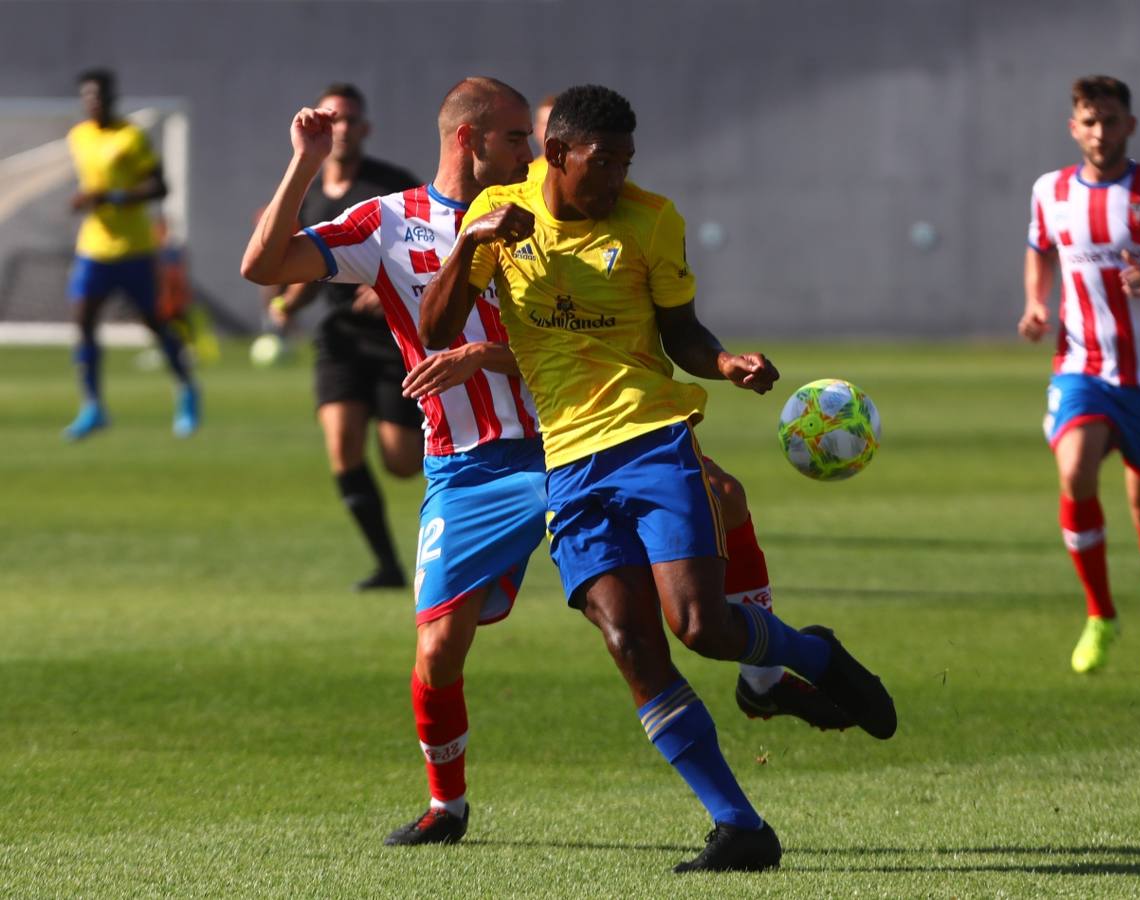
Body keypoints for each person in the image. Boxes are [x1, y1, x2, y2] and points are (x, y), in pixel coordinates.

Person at [425, 83, 896, 873]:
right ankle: (741, 827)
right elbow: (437, 329)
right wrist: (473, 245)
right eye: (601, 162)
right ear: (556, 155)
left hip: (650, 440)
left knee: (701, 628)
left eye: (625, 162)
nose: (615, 178)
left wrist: (724, 363)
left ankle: (814, 656)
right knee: (631, 643)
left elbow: (681, 331)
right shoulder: (499, 216)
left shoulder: (651, 220)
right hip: (567, 464)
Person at [243, 77, 544, 848]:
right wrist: (303, 164)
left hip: (566, 445)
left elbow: (589, 343)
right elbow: (264, 266)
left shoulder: (546, 214)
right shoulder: (390, 223)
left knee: (652, 607)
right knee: (439, 648)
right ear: (468, 140)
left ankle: (770, 665)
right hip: (464, 467)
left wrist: (483, 358)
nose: (531, 151)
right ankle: (448, 807)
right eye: (516, 138)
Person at [1020, 75, 1140, 677]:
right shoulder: (1050, 191)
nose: (1100, 131)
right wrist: (1035, 302)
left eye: (1111, 120)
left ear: (1130, 125)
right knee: (1075, 471)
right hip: (1082, 366)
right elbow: (1039, 248)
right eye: (1090, 120)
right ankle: (1100, 614)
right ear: (1073, 127)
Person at [265, 83, 424, 591]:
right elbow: (311, 268)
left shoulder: (392, 186)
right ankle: (388, 566)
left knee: (402, 463)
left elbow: (433, 247)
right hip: (338, 338)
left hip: (392, 340)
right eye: (332, 118)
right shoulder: (309, 195)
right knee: (342, 445)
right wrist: (289, 302)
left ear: (365, 129)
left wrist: (391, 286)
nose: (341, 128)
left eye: (350, 120)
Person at [64, 68, 199, 440]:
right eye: (88, 96)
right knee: (83, 322)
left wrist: (113, 197)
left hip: (135, 248)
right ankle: (92, 406)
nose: (94, 102)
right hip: (94, 247)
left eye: (100, 96)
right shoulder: (78, 137)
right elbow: (92, 185)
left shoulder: (130, 136)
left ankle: (187, 390)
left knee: (154, 324)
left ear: (112, 98)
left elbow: (160, 186)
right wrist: (85, 200)